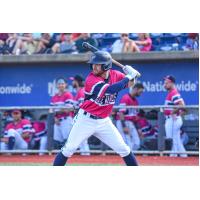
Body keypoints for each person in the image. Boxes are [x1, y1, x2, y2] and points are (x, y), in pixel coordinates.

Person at [53, 50, 141, 166]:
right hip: (85, 120)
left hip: (104, 121)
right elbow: (110, 90)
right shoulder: (91, 79)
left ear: (106, 65)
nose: (94, 66)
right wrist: (129, 76)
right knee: (69, 149)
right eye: (93, 64)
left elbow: (130, 84)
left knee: (123, 149)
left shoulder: (116, 75)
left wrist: (132, 75)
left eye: (97, 64)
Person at [163, 75, 187, 157]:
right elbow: (183, 108)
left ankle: (173, 158)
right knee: (176, 140)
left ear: (171, 83)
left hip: (172, 120)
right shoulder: (172, 92)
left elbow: (182, 105)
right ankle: (184, 157)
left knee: (172, 140)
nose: (164, 85)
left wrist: (173, 112)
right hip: (173, 119)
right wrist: (178, 113)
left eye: (166, 83)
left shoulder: (173, 92)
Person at [116, 83, 144, 150]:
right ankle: (128, 159)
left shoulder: (136, 101)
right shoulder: (125, 98)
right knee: (128, 144)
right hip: (123, 122)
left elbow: (135, 117)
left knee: (137, 143)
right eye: (140, 92)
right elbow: (121, 113)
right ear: (135, 89)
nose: (141, 94)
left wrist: (139, 129)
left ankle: (131, 158)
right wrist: (124, 126)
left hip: (131, 123)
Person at [50, 78, 74, 147]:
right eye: (59, 84)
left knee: (67, 141)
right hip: (57, 121)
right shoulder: (54, 97)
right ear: (57, 85)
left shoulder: (68, 95)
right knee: (57, 142)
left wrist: (56, 110)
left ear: (66, 85)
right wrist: (55, 118)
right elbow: (51, 110)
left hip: (66, 120)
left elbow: (68, 109)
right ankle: (59, 157)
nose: (61, 85)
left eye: (62, 84)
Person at [70, 75, 90, 155]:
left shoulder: (82, 92)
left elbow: (83, 108)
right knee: (81, 142)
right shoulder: (79, 92)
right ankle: (85, 158)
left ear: (77, 82)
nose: (72, 82)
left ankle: (86, 159)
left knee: (83, 142)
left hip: (83, 119)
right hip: (80, 119)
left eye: (73, 81)